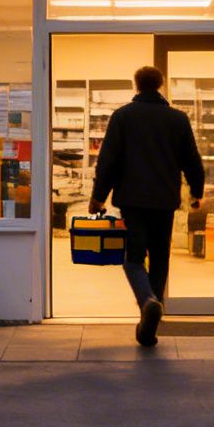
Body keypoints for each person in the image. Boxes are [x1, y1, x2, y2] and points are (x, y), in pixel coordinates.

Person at [89, 65, 204, 347]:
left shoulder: (123, 116)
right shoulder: (177, 119)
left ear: (136, 85)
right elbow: (192, 159)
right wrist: (196, 192)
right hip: (164, 200)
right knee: (161, 256)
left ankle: (147, 301)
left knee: (134, 258)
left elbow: (108, 161)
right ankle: (151, 318)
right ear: (160, 84)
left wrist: (98, 196)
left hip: (132, 200)